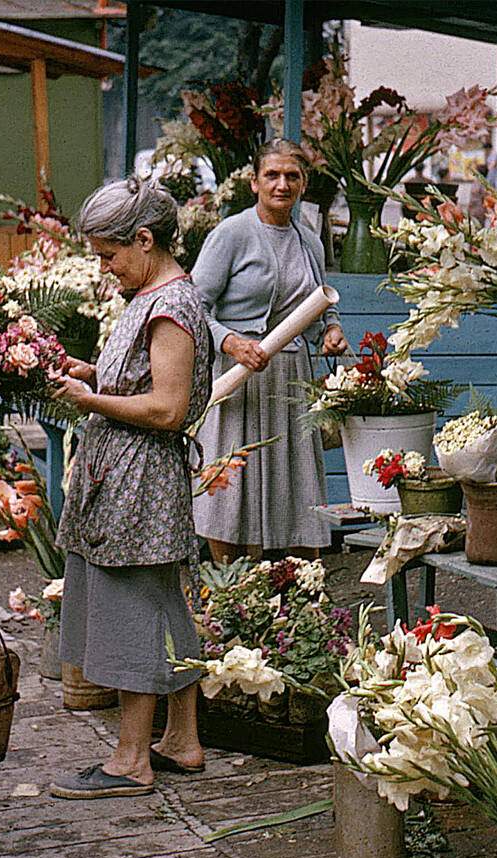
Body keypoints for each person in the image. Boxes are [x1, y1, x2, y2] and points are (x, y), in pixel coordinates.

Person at [49, 175, 213, 799]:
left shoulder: (170, 304)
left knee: (130, 610)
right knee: (162, 604)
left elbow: (169, 407)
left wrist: (90, 397)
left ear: (145, 240)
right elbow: (142, 381)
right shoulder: (152, 297)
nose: (105, 267)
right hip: (126, 470)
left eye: (109, 254)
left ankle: (129, 760)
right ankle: (183, 739)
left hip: (138, 478)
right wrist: (91, 373)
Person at [192, 139, 349, 564]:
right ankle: (230, 588)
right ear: (254, 181)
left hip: (291, 379)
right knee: (232, 486)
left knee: (297, 485)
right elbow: (191, 306)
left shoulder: (311, 242)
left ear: (303, 184)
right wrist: (230, 341)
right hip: (237, 377)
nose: (282, 184)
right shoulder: (231, 234)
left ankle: (302, 591)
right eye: (272, 175)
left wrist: (330, 332)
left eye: (292, 176)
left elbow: (315, 308)